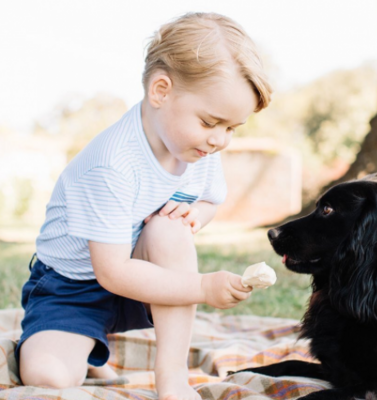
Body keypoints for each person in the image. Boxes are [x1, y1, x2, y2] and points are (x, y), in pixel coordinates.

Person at [16, 12, 272, 400]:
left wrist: (194, 216)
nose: (220, 140)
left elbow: (208, 201)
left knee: (170, 232)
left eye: (231, 129)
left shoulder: (199, 149)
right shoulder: (111, 164)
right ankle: (76, 344)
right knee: (48, 378)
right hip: (73, 286)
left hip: (142, 275)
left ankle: (172, 379)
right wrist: (202, 287)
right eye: (210, 122)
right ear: (161, 90)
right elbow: (113, 272)